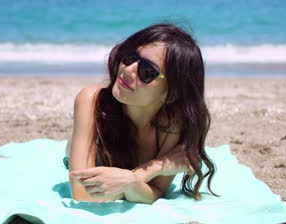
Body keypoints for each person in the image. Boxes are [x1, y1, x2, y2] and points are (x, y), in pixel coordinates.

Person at [64, 23, 217, 204]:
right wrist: (143, 175)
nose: (128, 69)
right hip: (75, 156)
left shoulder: (174, 122)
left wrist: (140, 176)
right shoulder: (91, 100)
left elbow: (157, 191)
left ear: (171, 93)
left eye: (146, 71)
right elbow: (82, 193)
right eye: (130, 57)